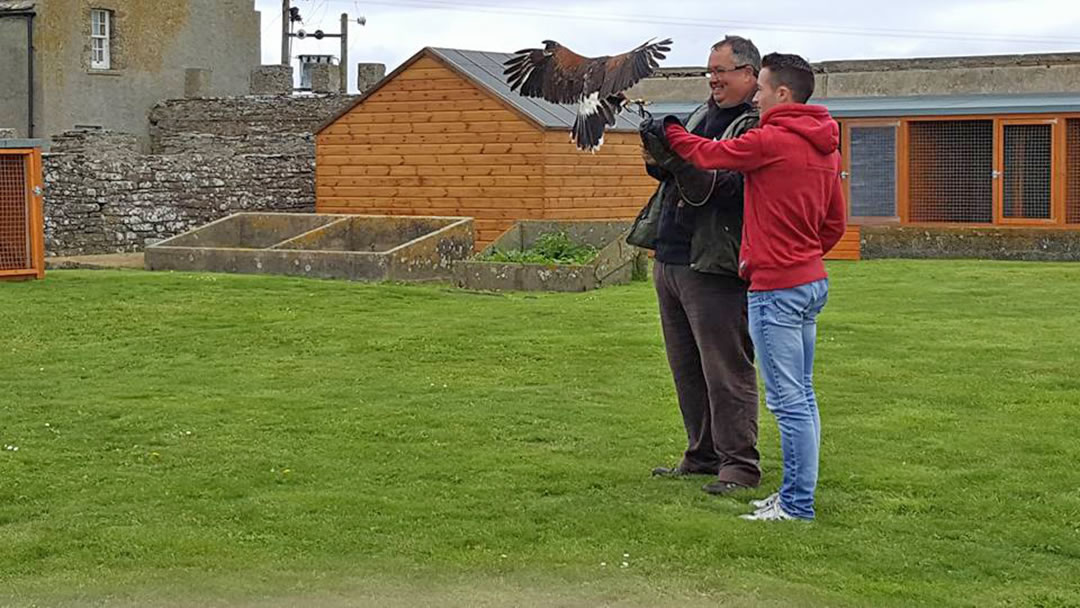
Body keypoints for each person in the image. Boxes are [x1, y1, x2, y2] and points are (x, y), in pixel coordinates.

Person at [646, 52, 847, 521]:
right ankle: (793, 494)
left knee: (788, 401)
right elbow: (834, 223)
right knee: (804, 395)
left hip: (775, 286)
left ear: (782, 94)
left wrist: (671, 130)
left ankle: (796, 505)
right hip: (810, 280)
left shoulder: (772, 139)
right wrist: (803, 253)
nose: (755, 97)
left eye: (760, 89)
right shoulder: (825, 143)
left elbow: (708, 155)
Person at [627, 36, 762, 495]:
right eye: (709, 71)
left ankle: (740, 466)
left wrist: (679, 160)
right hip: (672, 255)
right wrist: (657, 156)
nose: (713, 79)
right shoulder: (701, 115)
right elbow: (676, 171)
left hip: (715, 262)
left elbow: (727, 187)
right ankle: (702, 455)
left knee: (726, 369)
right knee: (686, 368)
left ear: (749, 74)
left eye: (721, 71)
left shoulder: (755, 126)